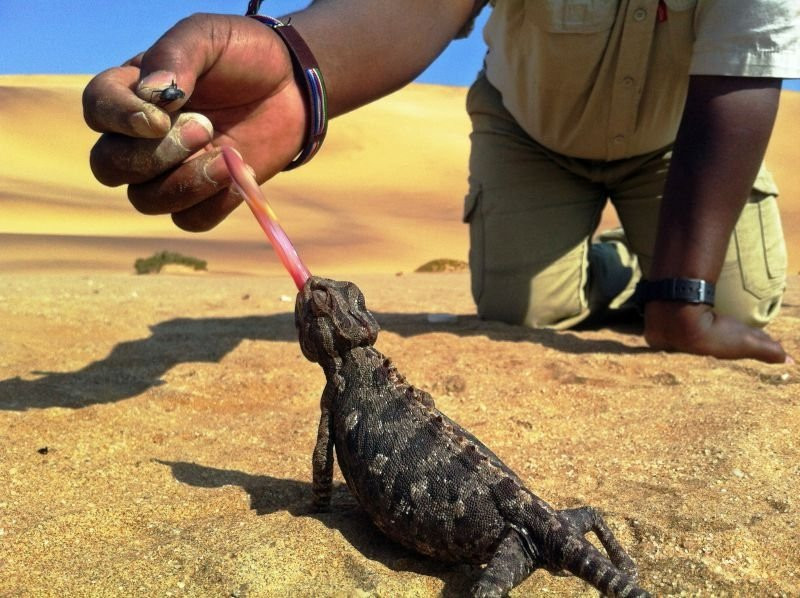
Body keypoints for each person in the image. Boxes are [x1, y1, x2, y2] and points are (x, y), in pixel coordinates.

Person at [83, 0, 799, 364]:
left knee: (732, 303)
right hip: (530, 133)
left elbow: (747, 65)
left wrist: (680, 300)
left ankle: (657, 269)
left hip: (681, 141)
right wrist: (298, 64)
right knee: (525, 311)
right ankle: (613, 267)